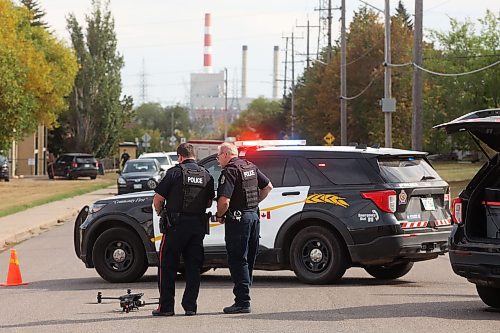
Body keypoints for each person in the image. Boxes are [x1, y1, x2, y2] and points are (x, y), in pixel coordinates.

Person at [152, 143, 215, 317]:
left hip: (175, 227)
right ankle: (190, 307)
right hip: (197, 227)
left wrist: (161, 212)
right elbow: (209, 202)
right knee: (194, 267)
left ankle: (166, 308)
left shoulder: (174, 173)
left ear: (180, 156)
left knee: (167, 266)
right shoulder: (206, 175)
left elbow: (158, 199)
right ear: (194, 155)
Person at [215, 142, 273, 314]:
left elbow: (224, 201)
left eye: (218, 156)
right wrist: (253, 205)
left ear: (226, 154)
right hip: (253, 217)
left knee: (237, 259)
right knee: (248, 260)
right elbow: (268, 187)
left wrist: (220, 215)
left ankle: (242, 302)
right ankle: (244, 297)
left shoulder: (230, 171)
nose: (218, 160)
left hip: (239, 220)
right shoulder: (250, 166)